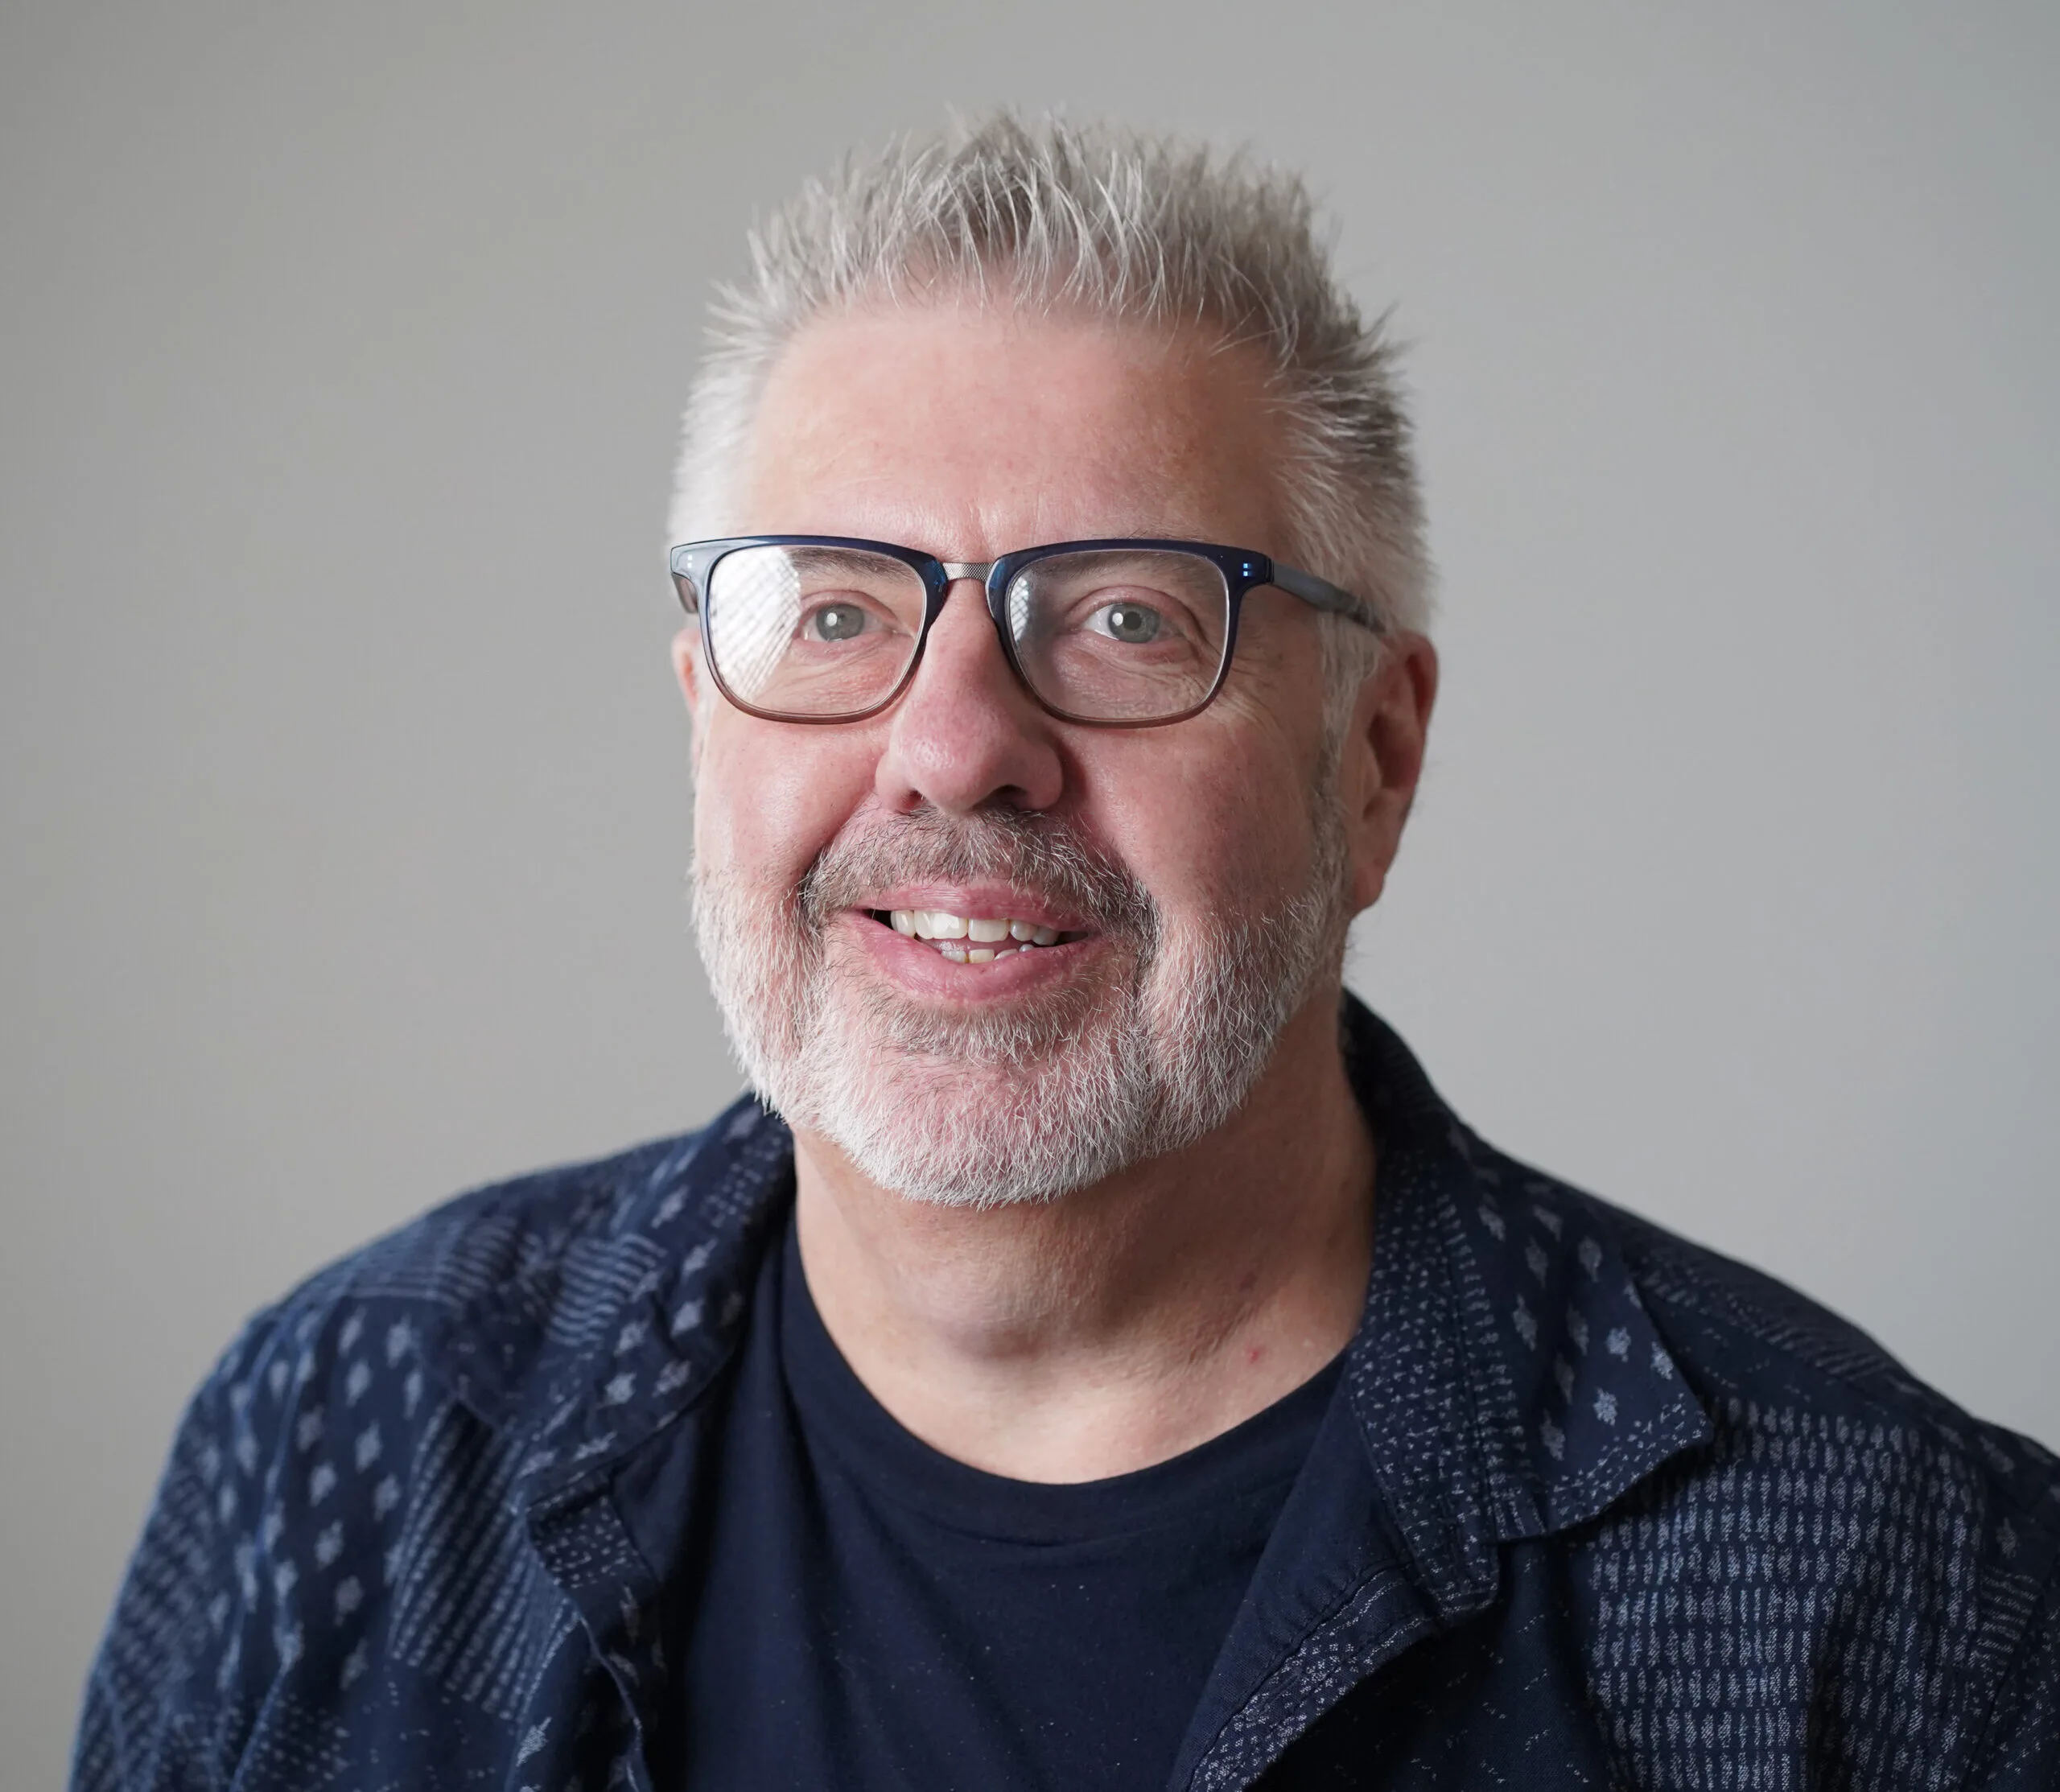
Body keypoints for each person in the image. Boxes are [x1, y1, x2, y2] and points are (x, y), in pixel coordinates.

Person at [74, 114, 2060, 1792]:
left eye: (1123, 617)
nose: (952, 749)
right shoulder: (349, 1427)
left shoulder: (1886, 1594)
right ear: (702, 710)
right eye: (836, 615)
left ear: (1368, 765)